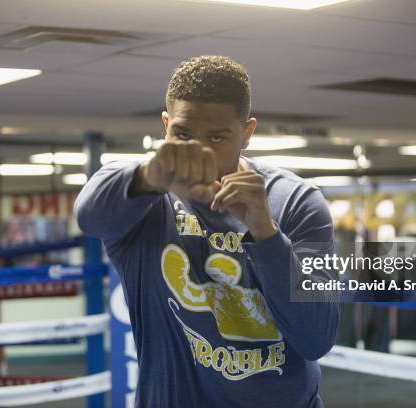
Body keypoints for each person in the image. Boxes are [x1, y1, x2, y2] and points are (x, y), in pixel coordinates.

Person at [75, 55, 339, 407]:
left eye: (216, 137)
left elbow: (316, 338)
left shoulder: (294, 202)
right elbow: (89, 215)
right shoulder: (146, 199)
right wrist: (151, 176)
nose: (198, 153)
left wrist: (265, 232)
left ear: (246, 133)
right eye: (182, 135)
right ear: (165, 125)